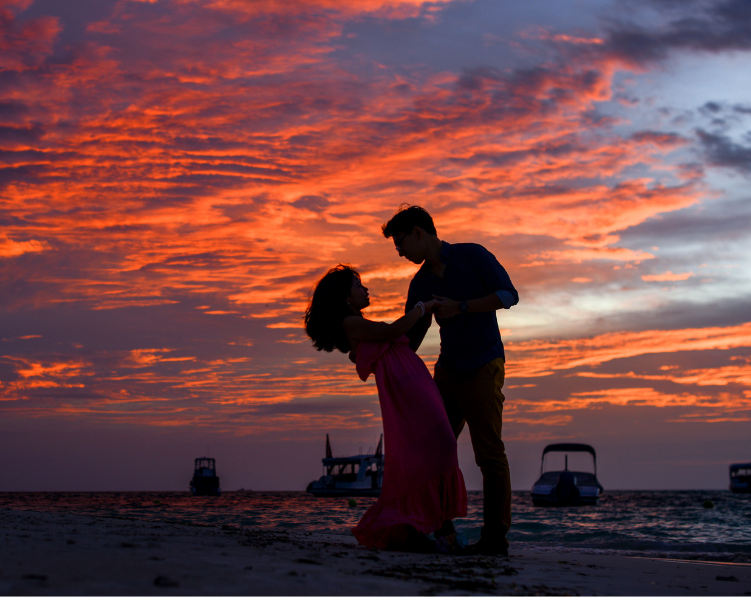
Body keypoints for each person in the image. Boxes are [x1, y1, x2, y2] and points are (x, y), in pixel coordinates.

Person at [381, 205, 519, 556]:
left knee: (489, 454)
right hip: (446, 372)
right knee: (431, 449)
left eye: (400, 243)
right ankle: (441, 532)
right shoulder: (421, 283)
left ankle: (494, 539)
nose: (399, 252)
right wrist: (380, 356)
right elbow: (412, 336)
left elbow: (508, 295)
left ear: (418, 232)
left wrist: (461, 306)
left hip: (484, 364)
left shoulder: (472, 256)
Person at [304, 265, 467, 552]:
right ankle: (440, 531)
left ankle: (428, 529)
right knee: (440, 446)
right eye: (357, 285)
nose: (364, 289)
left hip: (413, 384)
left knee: (437, 448)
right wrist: (422, 307)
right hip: (407, 390)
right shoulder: (349, 323)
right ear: (345, 297)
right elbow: (393, 330)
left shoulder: (356, 323)